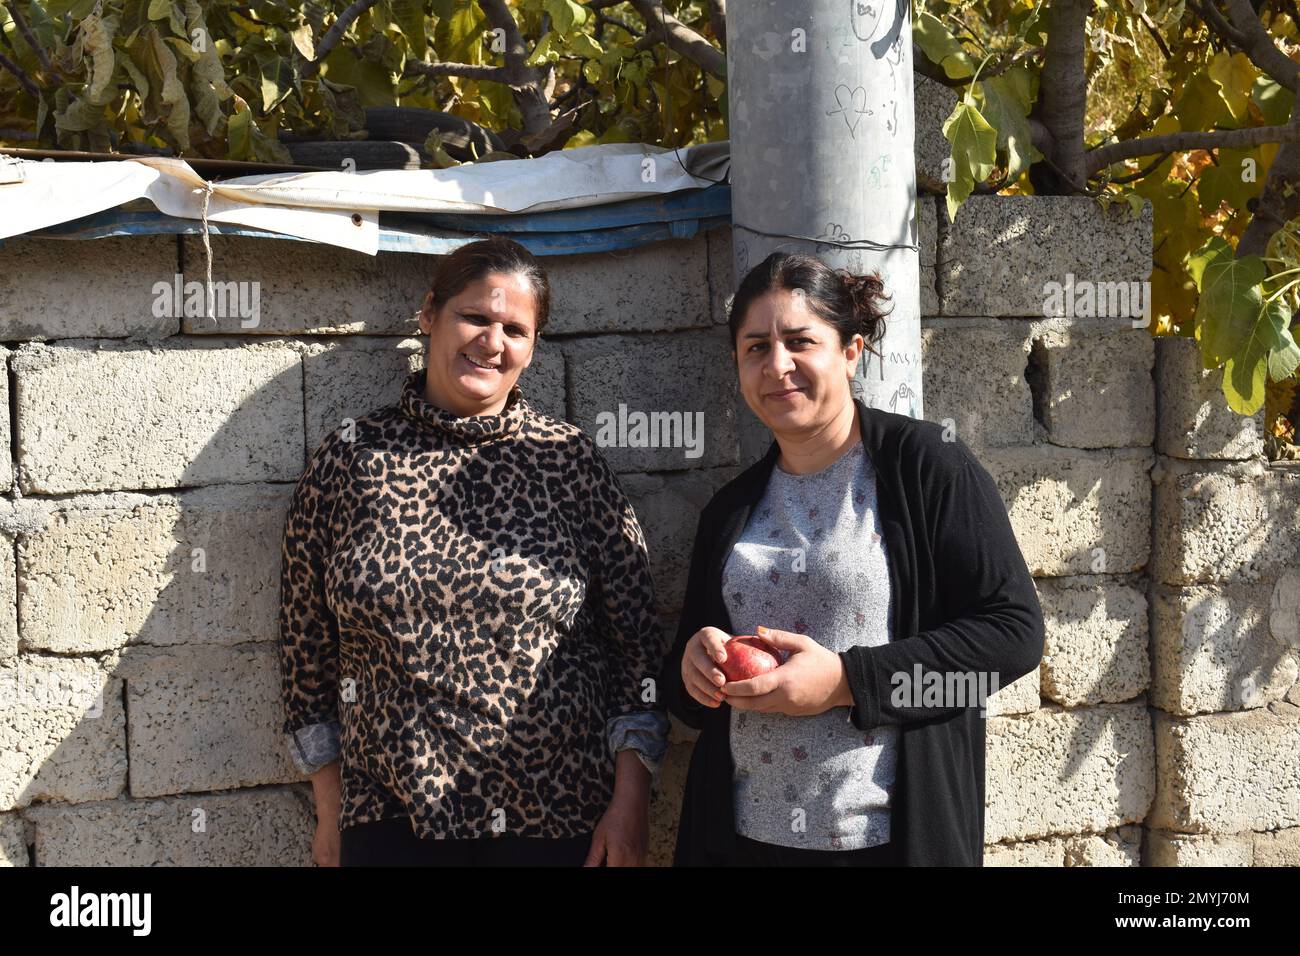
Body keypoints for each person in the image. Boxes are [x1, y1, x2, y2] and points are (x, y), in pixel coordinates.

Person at [278, 236, 670, 867]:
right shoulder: (349, 459)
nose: (492, 341)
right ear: (428, 315)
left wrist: (630, 804)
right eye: (475, 318)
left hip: (558, 819)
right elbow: (304, 649)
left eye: (515, 328)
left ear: (534, 346)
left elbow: (638, 648)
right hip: (389, 821)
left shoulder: (566, 462)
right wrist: (330, 807)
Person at [662, 251, 1045, 866]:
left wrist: (845, 683)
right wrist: (692, 669)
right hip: (741, 841)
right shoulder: (730, 510)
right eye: (756, 347)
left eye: (800, 341)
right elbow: (683, 703)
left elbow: (1013, 635)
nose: (778, 365)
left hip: (886, 842)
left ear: (851, 350)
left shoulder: (926, 467)